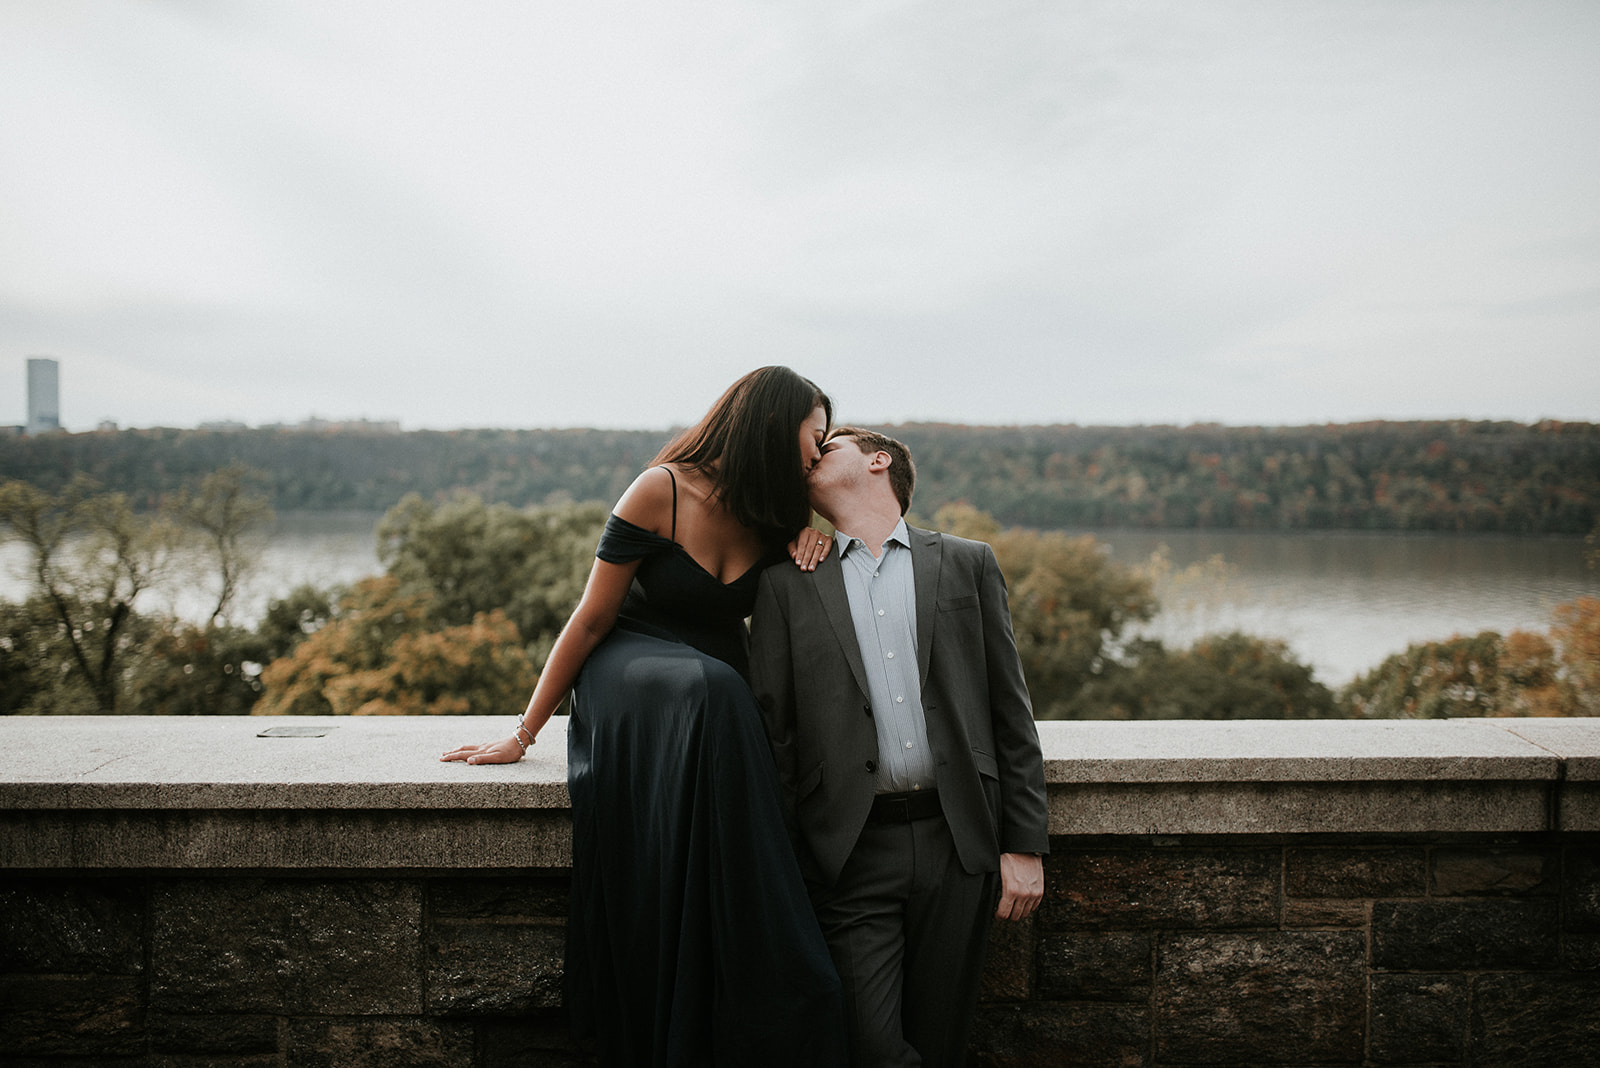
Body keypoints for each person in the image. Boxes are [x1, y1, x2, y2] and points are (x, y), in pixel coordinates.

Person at [442, 367, 847, 1067]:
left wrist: (819, 543)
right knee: (718, 693)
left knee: (729, 699)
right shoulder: (660, 488)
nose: (817, 454)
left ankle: (748, 967)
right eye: (813, 438)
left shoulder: (781, 515)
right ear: (771, 427)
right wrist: (524, 731)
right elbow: (590, 619)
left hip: (713, 675)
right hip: (631, 661)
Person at [748, 427, 1048, 1068]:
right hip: (849, 855)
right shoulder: (786, 582)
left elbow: (1010, 713)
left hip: (959, 844)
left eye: (829, 446)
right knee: (869, 1045)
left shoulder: (969, 562)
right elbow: (777, 734)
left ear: (878, 460)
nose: (811, 456)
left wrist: (1023, 844)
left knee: (941, 1042)